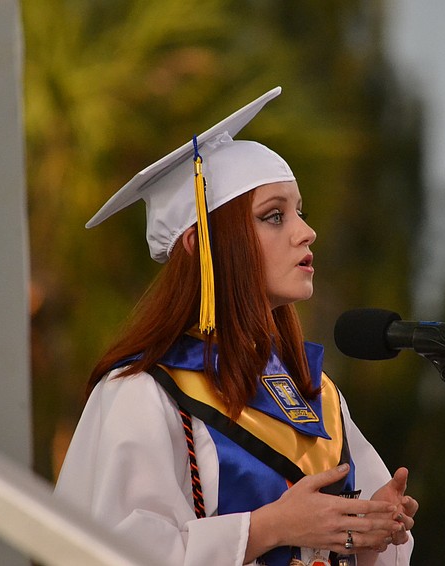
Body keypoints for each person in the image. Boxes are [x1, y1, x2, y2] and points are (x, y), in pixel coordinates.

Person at [54, 87, 418, 566]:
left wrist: (373, 533)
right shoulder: (146, 392)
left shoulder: (317, 394)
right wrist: (270, 528)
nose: (305, 232)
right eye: (273, 216)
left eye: (299, 212)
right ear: (198, 246)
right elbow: (112, 553)